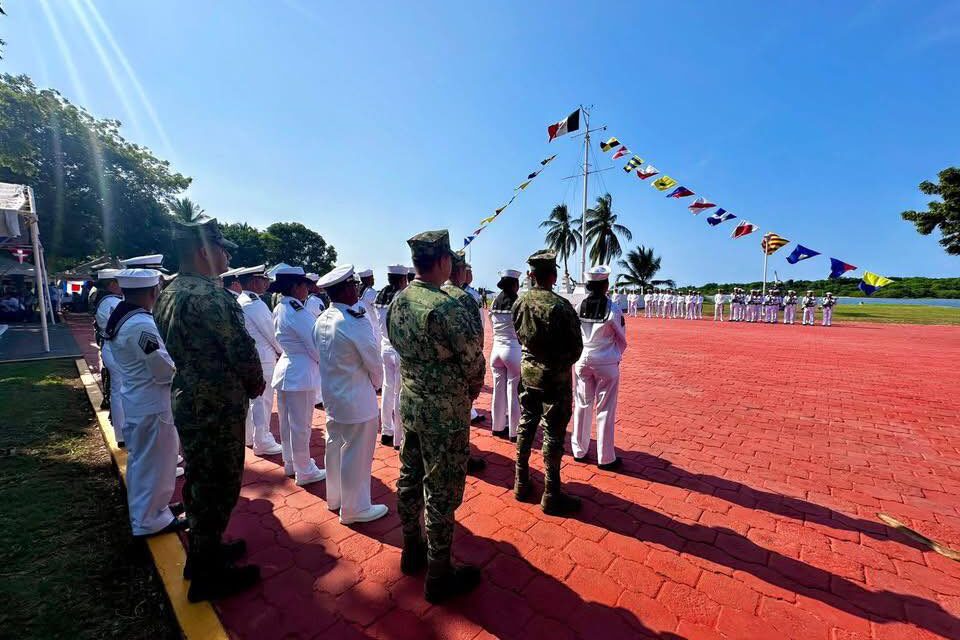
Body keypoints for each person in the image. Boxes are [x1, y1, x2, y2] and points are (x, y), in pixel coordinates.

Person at [153, 219, 264, 602]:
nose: (228, 256)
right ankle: (208, 575)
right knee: (219, 483)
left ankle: (205, 551)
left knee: (200, 481)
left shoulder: (168, 292)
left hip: (189, 395)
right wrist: (255, 384)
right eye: (222, 249)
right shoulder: (212, 296)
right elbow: (241, 351)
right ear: (203, 251)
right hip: (216, 403)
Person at [388, 229, 485, 603]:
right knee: (441, 492)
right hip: (444, 413)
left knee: (409, 479)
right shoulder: (446, 307)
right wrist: (468, 393)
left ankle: (411, 549)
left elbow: (398, 348)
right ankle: (439, 574)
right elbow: (472, 362)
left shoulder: (399, 301)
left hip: (411, 404)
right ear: (444, 261)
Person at [103, 268, 186, 537]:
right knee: (157, 463)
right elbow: (162, 369)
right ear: (153, 292)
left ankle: (150, 511)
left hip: (139, 400)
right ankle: (150, 519)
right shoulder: (141, 325)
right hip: (153, 403)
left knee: (145, 463)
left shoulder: (125, 316)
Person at [313, 264, 388, 524]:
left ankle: (335, 499)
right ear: (345, 288)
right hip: (357, 399)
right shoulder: (354, 321)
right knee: (357, 453)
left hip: (333, 397)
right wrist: (376, 384)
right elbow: (374, 362)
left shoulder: (323, 318)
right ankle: (355, 509)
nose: (356, 288)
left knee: (334, 447)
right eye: (353, 284)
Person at [513, 249, 584, 516]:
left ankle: (521, 481)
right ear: (553, 276)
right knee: (553, 434)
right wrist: (557, 362)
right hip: (555, 377)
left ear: (531, 275)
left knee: (526, 422)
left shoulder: (519, 302)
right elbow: (576, 349)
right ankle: (551, 492)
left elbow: (520, 335)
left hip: (529, 373)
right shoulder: (561, 306)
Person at [269, 266, 326, 486]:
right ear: (295, 287)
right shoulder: (297, 311)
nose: (307, 289)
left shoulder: (280, 307)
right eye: (304, 285)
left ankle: (292, 463)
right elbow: (315, 346)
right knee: (301, 425)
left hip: (286, 368)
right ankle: (304, 471)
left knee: (287, 423)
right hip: (300, 372)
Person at [572, 266, 627, 470]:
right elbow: (621, 338)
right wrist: (616, 356)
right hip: (606, 362)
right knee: (605, 409)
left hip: (583, 359)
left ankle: (579, 451)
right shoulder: (612, 308)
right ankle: (605, 457)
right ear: (605, 285)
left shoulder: (579, 306)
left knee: (582, 405)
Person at [236, 265, 284, 455]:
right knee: (263, 400)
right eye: (264, 279)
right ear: (254, 281)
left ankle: (250, 436)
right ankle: (262, 440)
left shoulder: (240, 300)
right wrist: (282, 351)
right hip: (262, 358)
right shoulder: (255, 303)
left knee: (251, 400)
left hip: (249, 356)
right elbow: (272, 333)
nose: (266, 283)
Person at [443, 251, 488, 441]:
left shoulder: (434, 293)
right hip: (459, 371)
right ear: (459, 271)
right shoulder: (465, 298)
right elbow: (477, 341)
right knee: (459, 423)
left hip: (438, 371)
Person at [373, 265, 409, 448]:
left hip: (385, 347)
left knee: (387, 390)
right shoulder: (401, 297)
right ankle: (399, 437)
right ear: (403, 279)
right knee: (399, 393)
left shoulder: (380, 296)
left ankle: (387, 430)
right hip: (398, 349)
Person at [488, 269, 522, 441]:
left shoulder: (495, 301)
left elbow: (490, 320)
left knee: (498, 390)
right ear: (515, 284)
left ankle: (497, 426)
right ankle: (514, 432)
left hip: (496, 349)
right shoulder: (518, 302)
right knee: (514, 392)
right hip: (513, 349)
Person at [94, 268, 125, 444]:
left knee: (117, 392)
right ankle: (124, 434)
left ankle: (121, 434)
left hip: (110, 347)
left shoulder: (104, 300)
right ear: (113, 284)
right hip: (117, 349)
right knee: (122, 392)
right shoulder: (113, 302)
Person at [357, 268, 382, 346]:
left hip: (365, 328)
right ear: (367, 279)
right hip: (375, 328)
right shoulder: (371, 292)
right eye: (371, 278)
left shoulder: (359, 291)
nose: (373, 279)